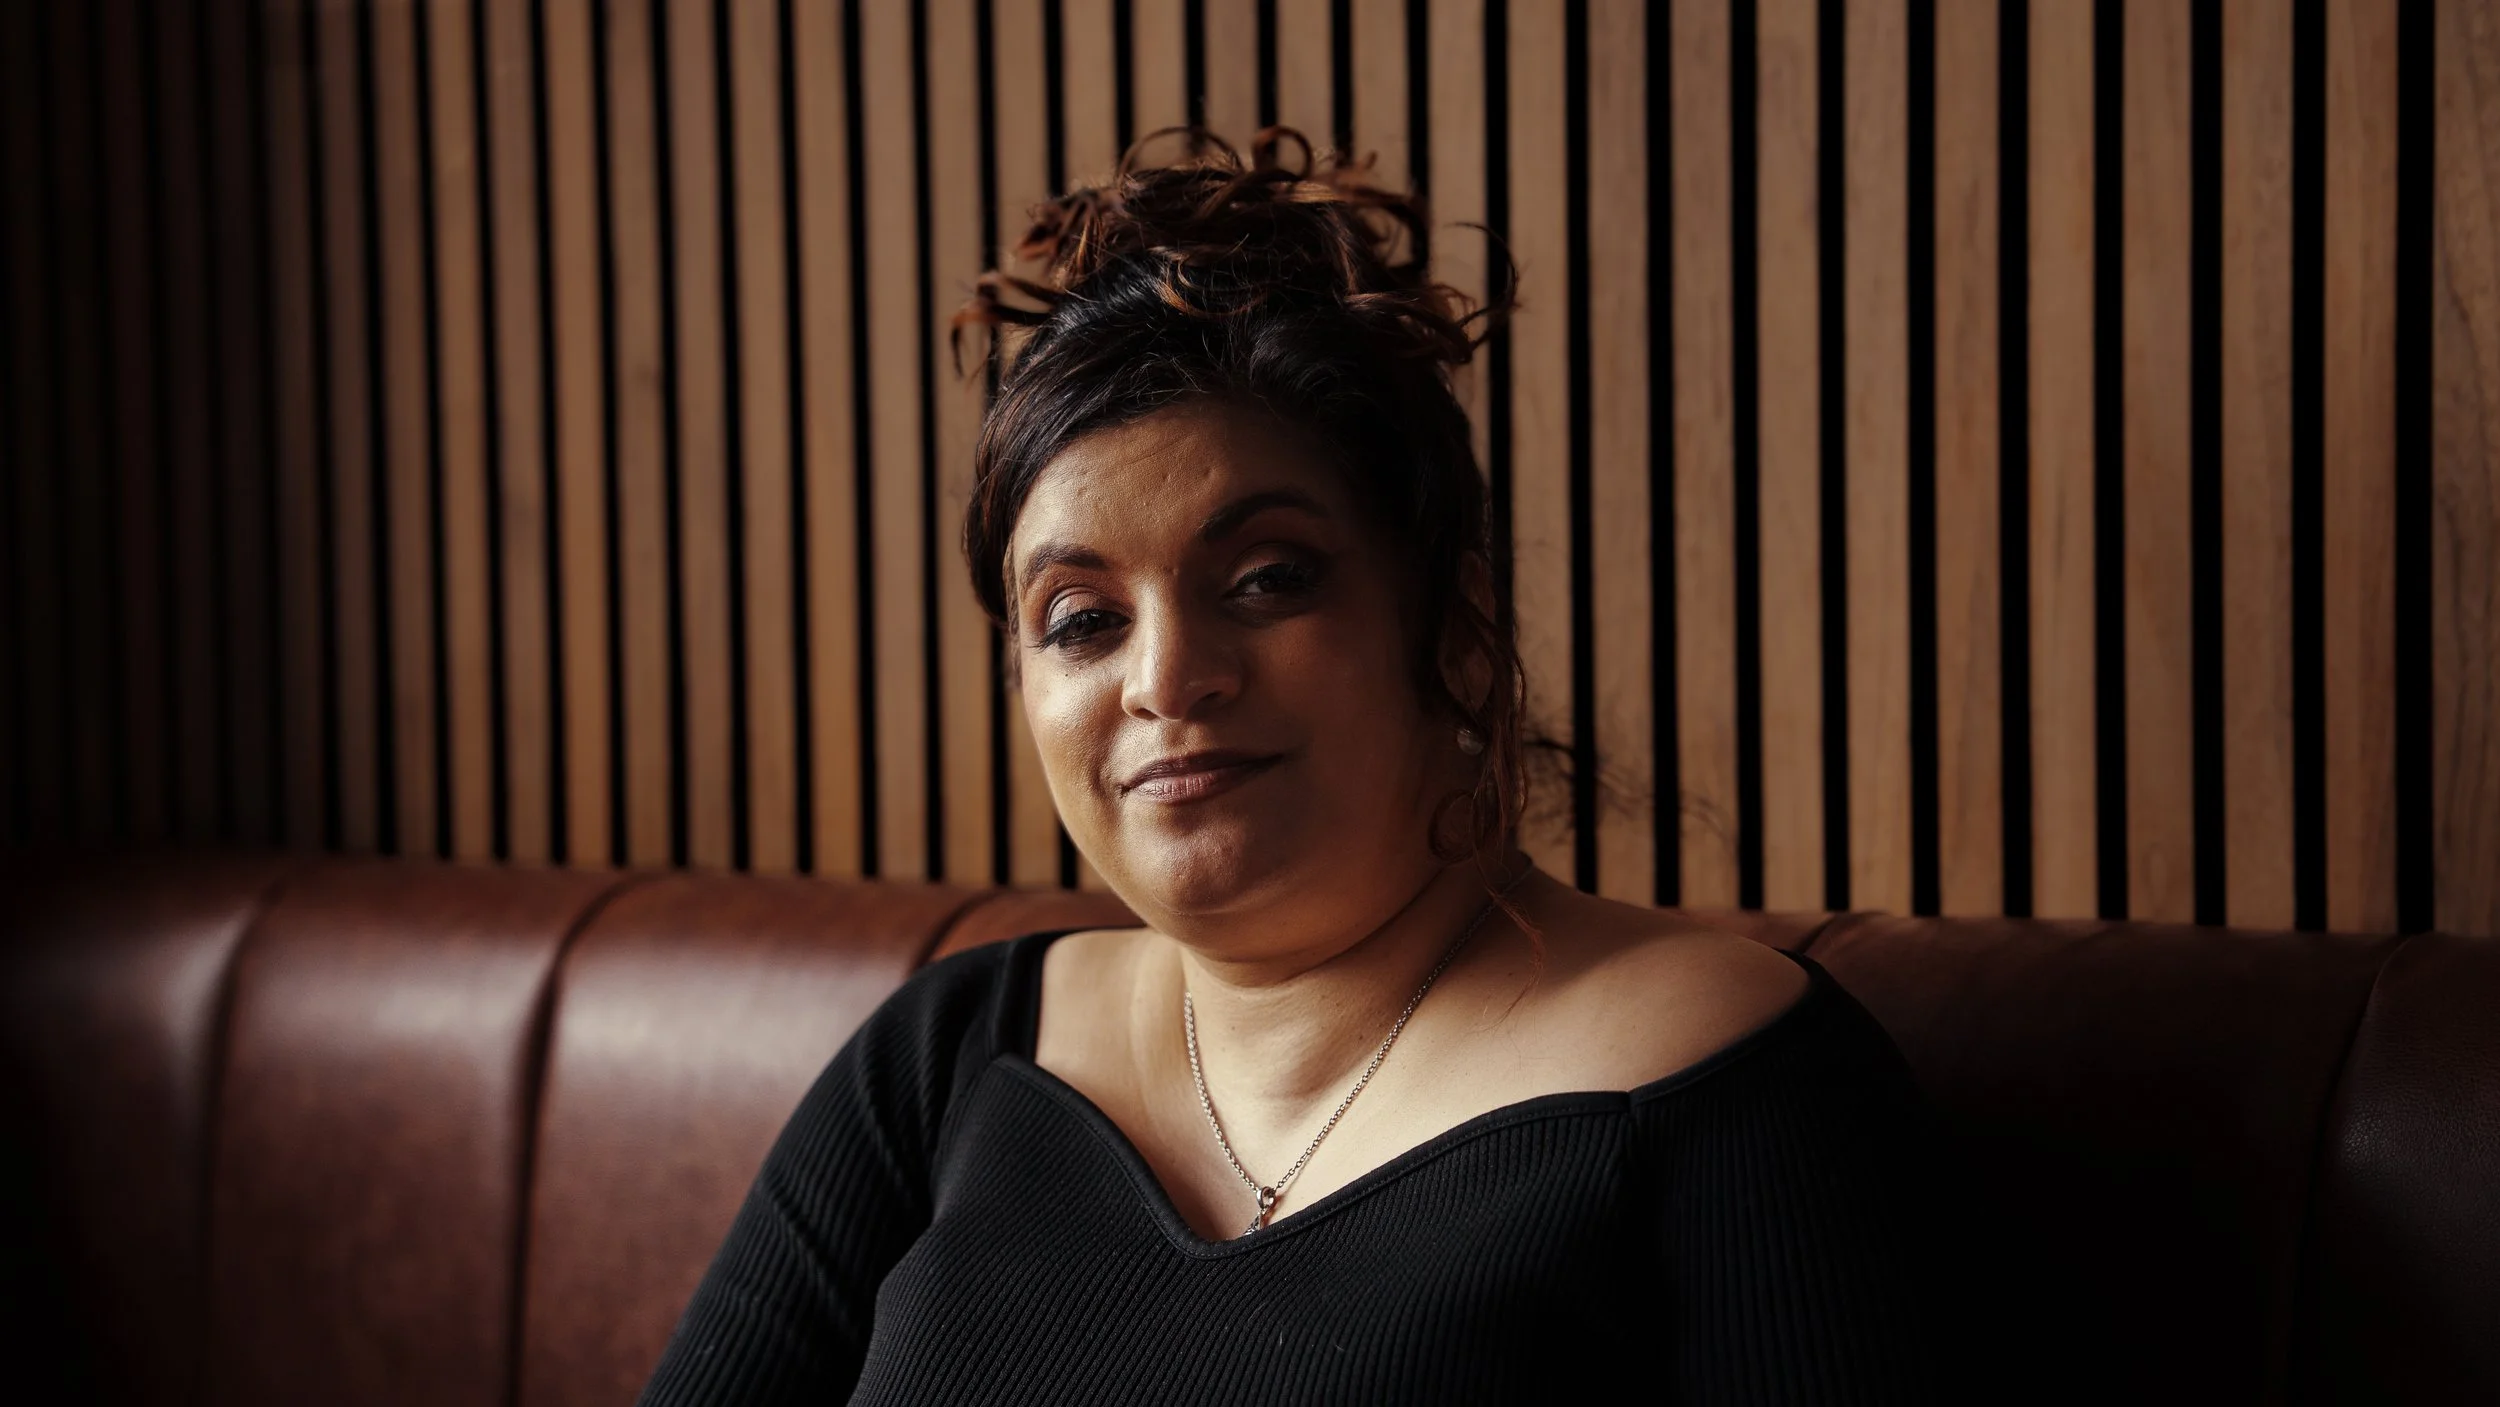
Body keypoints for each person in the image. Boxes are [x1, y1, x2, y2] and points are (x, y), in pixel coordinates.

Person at [637, 128, 1963, 1405]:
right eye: (1083, 619)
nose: (1166, 676)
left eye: (1267, 577)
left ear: (1452, 628)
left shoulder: (1714, 1075)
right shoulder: (949, 1056)